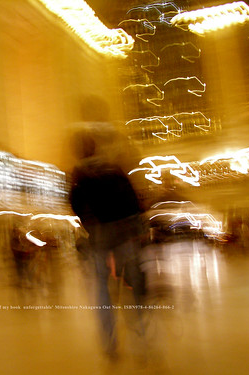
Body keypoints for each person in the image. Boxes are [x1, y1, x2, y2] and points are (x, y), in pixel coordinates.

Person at [69, 121, 147, 357]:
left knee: (102, 287)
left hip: (101, 233)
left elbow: (74, 203)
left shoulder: (78, 173)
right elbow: (133, 198)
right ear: (96, 148)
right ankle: (142, 335)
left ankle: (110, 342)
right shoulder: (113, 168)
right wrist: (139, 227)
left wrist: (89, 224)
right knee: (132, 282)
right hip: (125, 230)